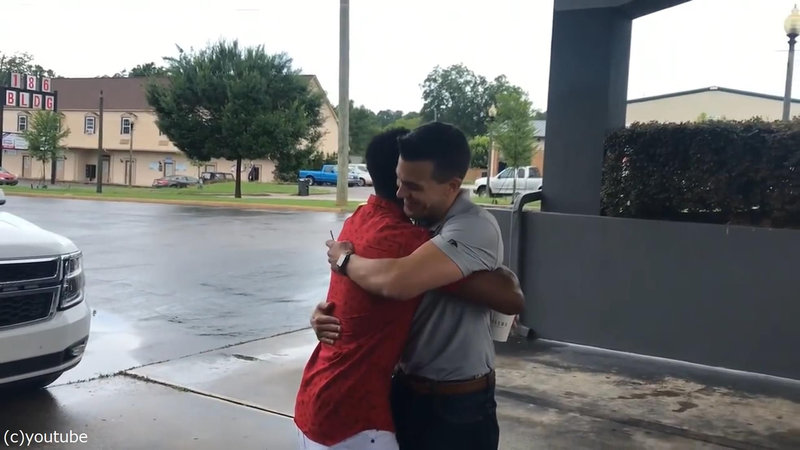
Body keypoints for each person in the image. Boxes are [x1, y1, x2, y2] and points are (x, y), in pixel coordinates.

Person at [295, 127, 523, 450]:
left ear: (452, 186)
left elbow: (397, 280)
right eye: (399, 181)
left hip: (457, 402)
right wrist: (328, 314)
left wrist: (344, 260)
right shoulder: (414, 220)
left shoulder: (471, 226)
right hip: (405, 390)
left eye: (413, 186)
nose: (401, 193)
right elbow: (373, 288)